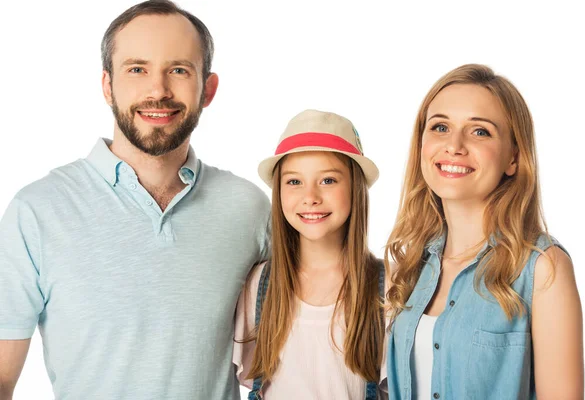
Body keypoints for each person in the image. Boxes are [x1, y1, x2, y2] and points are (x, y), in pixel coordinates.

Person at [0, 1, 270, 399]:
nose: (158, 91)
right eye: (137, 69)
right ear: (108, 85)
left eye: (179, 70)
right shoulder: (38, 210)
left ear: (207, 89)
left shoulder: (249, 208)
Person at [384, 64, 584, 399]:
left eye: (480, 132)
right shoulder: (409, 266)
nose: (454, 146)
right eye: (440, 127)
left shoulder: (542, 268)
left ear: (514, 158)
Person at [233, 109, 387, 399]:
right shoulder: (259, 285)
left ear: (355, 188)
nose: (311, 197)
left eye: (328, 180)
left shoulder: (386, 287)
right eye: (294, 182)